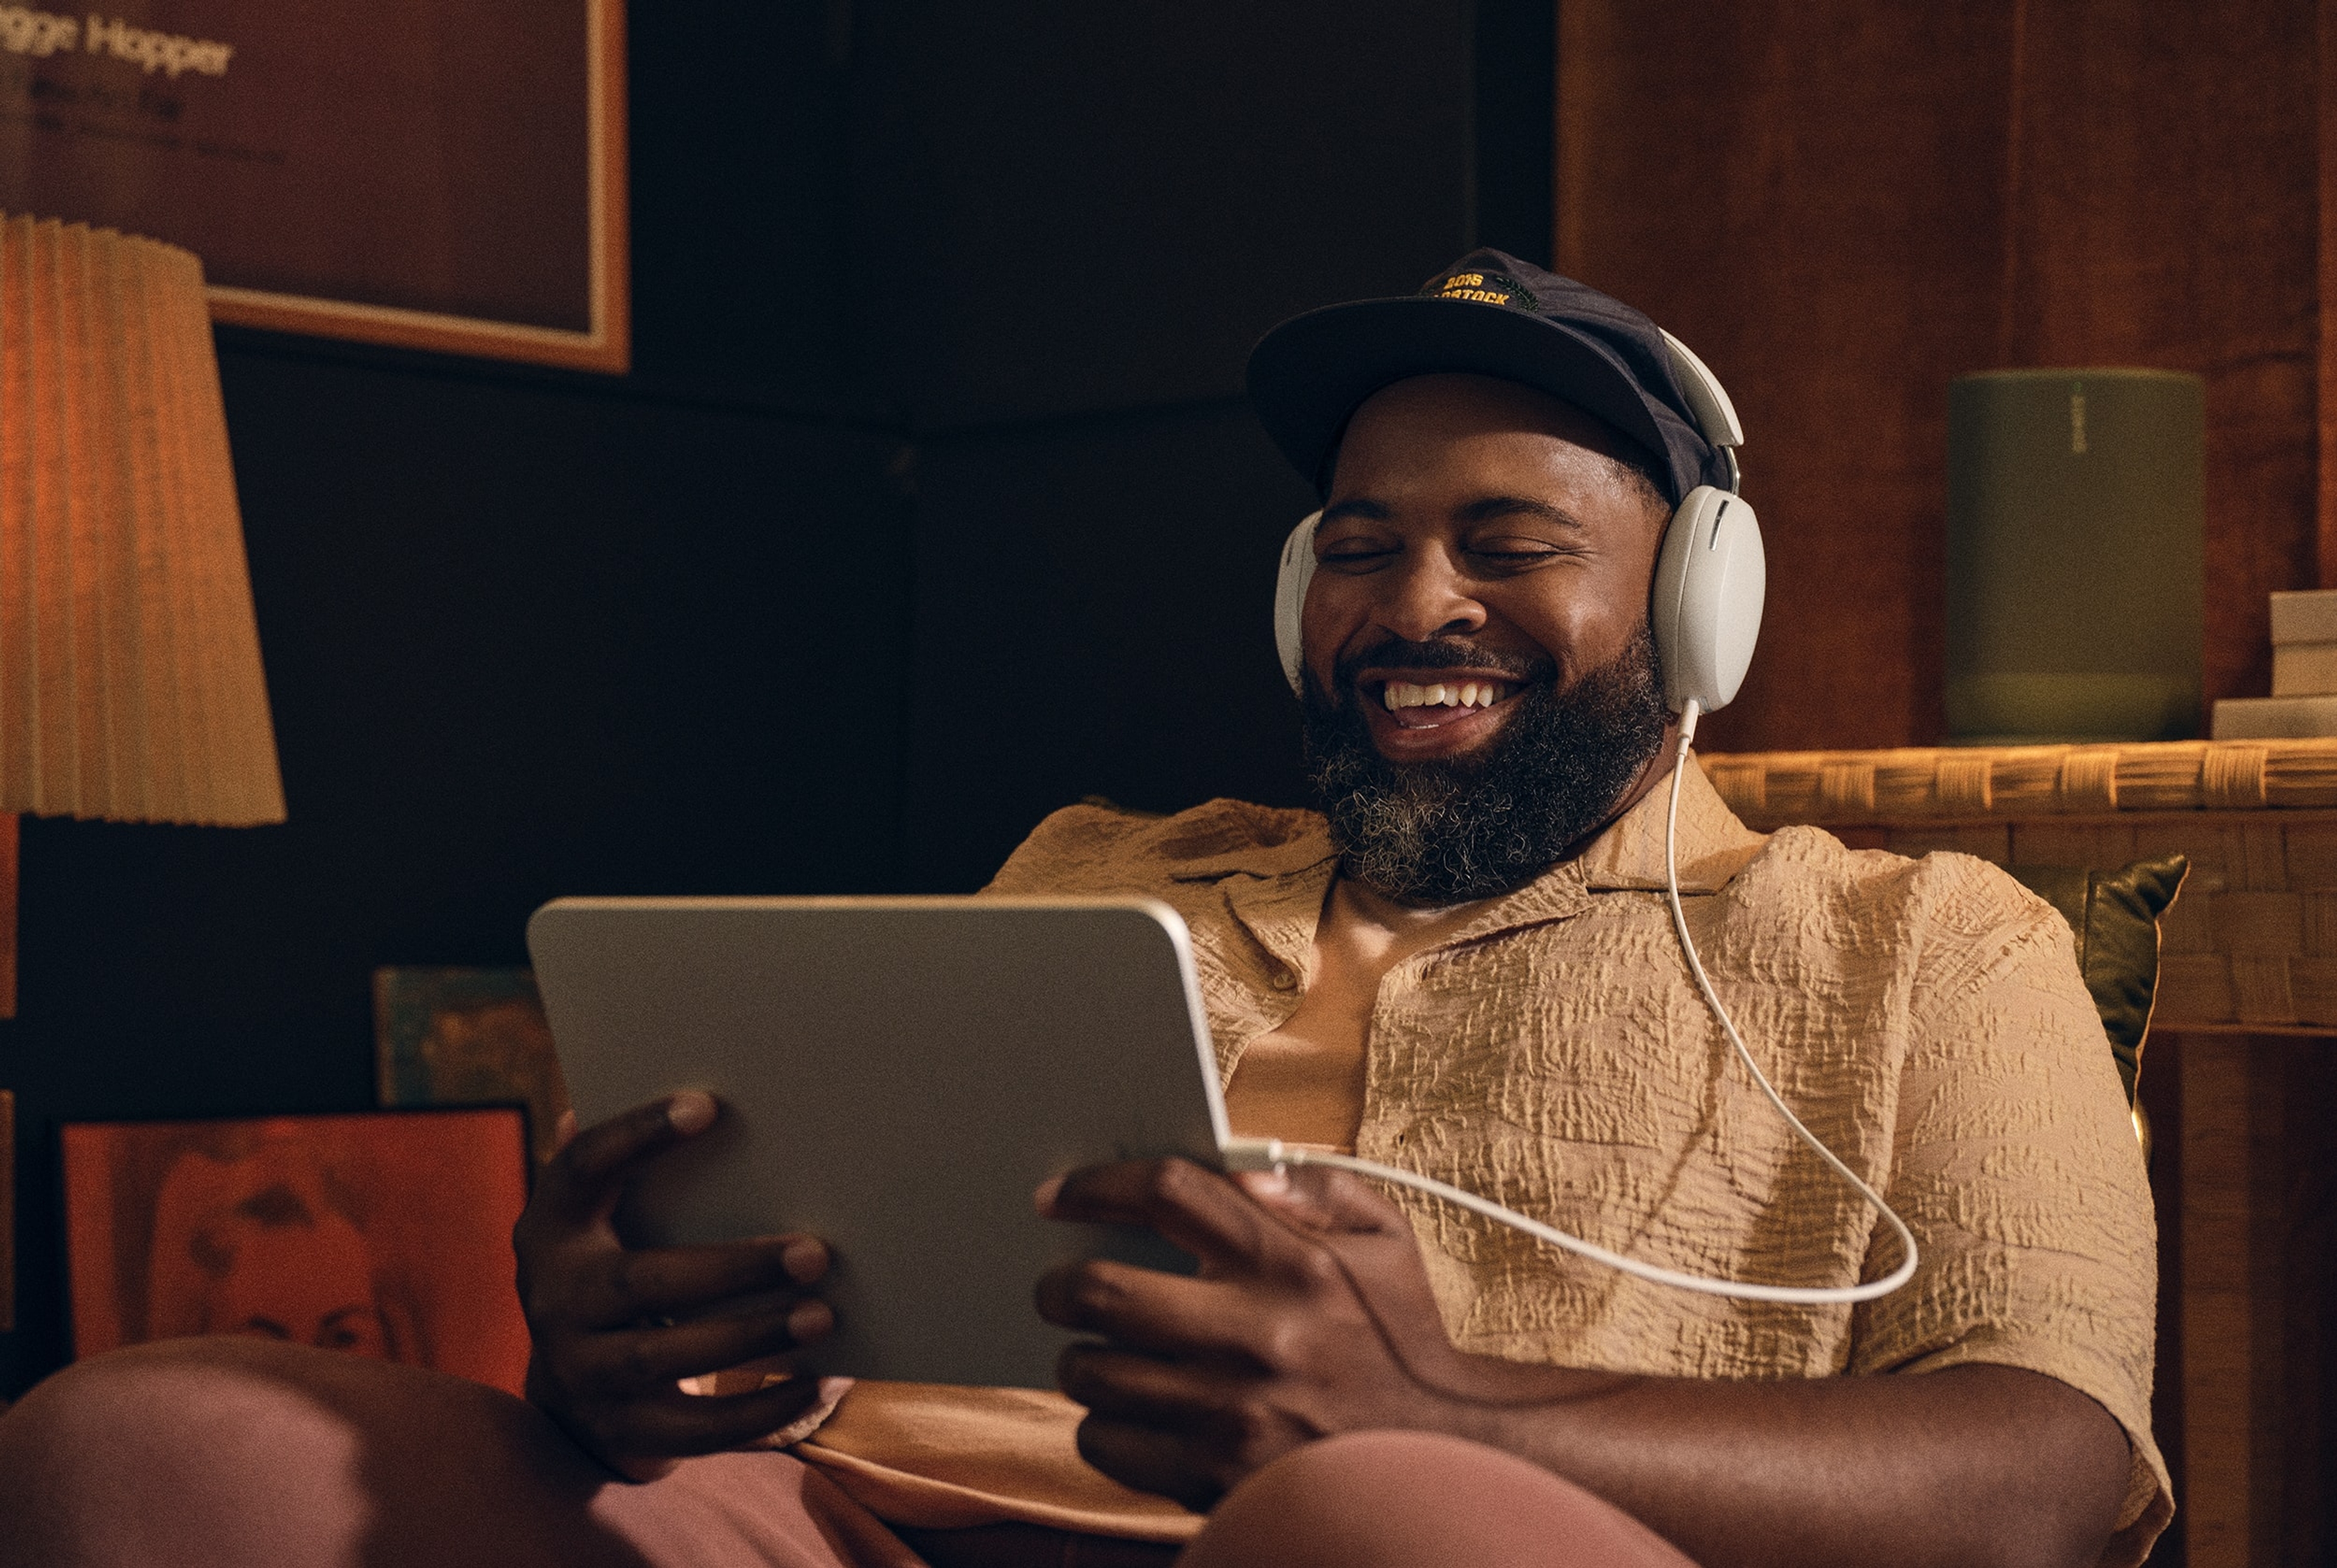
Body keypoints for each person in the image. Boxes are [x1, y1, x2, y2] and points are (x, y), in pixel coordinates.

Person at [0, 253, 2165, 1568]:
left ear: (1699, 602)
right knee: (144, 1446)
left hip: (1388, 1550)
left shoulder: (1918, 948)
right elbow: (804, 1372)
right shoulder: (1095, 876)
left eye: (1511, 542)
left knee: (1359, 1518)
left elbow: (2044, 1476)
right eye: (1359, 541)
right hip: (870, 1535)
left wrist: (1437, 1419)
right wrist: (621, 1366)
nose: (1417, 602)